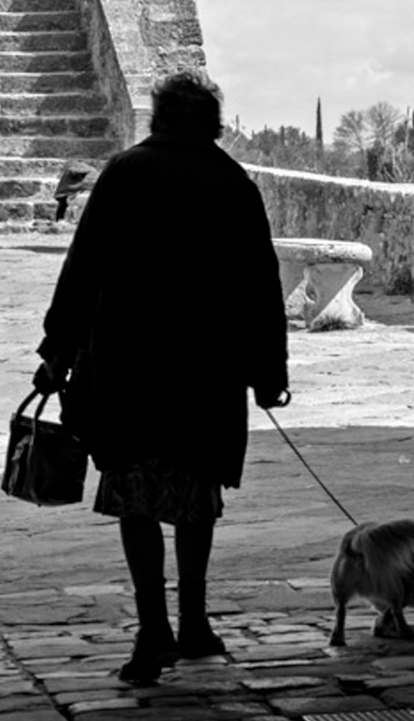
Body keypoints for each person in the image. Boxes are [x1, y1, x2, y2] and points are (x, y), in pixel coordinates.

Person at [34, 71, 290, 686]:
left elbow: (83, 270)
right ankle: (194, 622)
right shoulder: (233, 184)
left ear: (160, 117)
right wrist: (268, 370)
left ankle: (153, 629)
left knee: (135, 494)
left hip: (130, 365)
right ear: (213, 123)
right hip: (206, 368)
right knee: (197, 493)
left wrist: (57, 351)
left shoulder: (124, 174)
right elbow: (261, 286)